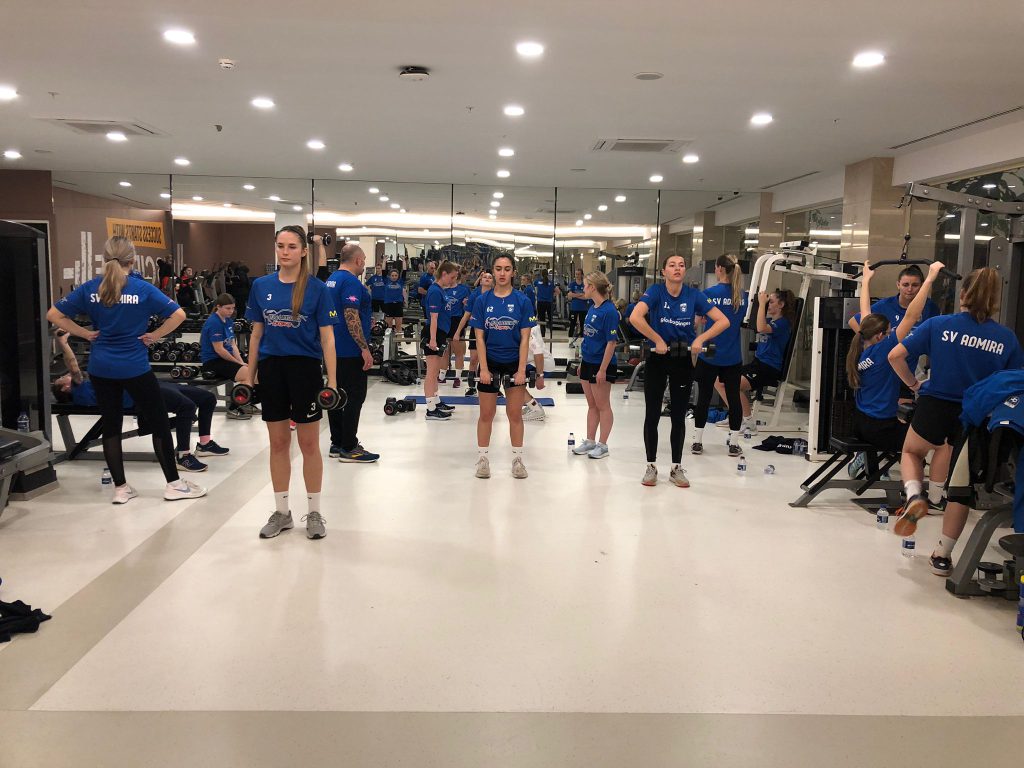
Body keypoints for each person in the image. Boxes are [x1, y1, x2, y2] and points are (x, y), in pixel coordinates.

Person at [46, 236, 206, 504]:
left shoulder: (91, 288)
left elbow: (53, 314)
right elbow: (178, 314)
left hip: (101, 367)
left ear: (106, 258)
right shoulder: (141, 289)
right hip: (134, 367)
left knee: (111, 426)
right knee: (159, 423)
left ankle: (120, 489)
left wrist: (84, 333)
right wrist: (155, 335)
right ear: (132, 260)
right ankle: (174, 485)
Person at [889, 267, 1023, 575]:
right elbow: (1015, 382)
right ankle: (942, 556)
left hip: (935, 404)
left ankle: (915, 496)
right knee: (960, 489)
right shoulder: (1006, 338)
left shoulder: (939, 325)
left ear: (963, 294)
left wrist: (913, 384)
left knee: (912, 452)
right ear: (995, 299)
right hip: (974, 414)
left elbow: (895, 355)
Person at [243, 225, 338, 540]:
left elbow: (328, 339)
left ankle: (314, 512)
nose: (285, 252)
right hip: (272, 369)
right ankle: (282, 512)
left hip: (305, 370)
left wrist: (332, 380)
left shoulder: (317, 289)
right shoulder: (261, 286)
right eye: (280, 246)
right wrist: (249, 374)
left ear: (303, 251)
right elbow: (256, 334)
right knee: (279, 443)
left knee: (309, 444)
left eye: (292, 247)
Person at [52, 331, 229, 472]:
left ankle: (204, 444)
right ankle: (183, 457)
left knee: (207, 398)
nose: (64, 375)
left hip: (149, 384)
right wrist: (63, 342)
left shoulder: (90, 382)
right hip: (140, 395)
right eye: (61, 379)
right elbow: (72, 364)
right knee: (187, 407)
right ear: (65, 388)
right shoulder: (80, 391)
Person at [629, 254, 730, 487]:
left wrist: (701, 338)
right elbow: (635, 317)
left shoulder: (694, 295)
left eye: (681, 265)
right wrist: (656, 338)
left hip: (682, 358)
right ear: (664, 271)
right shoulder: (655, 292)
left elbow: (723, 321)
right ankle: (651, 466)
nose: (677, 268)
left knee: (678, 416)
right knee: (652, 414)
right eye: (672, 265)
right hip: (657, 356)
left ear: (685, 271)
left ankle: (676, 468)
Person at [846, 260, 943, 454]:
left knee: (909, 424)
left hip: (860, 422)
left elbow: (865, 311)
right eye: (890, 332)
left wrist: (866, 280)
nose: (892, 333)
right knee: (932, 443)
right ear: (880, 336)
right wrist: (930, 279)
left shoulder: (862, 348)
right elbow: (911, 316)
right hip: (881, 429)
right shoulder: (884, 350)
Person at [470, 255, 537, 479]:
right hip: (490, 362)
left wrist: (521, 370)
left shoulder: (522, 301)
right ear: (492, 271)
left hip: (513, 363)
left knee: (514, 414)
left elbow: (525, 339)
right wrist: (484, 369)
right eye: (498, 269)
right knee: (486, 414)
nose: (502, 273)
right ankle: (482, 460)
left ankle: (517, 460)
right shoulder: (482, 301)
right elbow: (479, 338)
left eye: (507, 269)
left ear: (513, 272)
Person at [324, 244, 378, 463]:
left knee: (336, 395)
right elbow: (350, 315)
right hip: (349, 350)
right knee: (354, 397)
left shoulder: (331, 280)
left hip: (332, 350)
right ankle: (349, 446)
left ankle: (337, 442)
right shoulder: (351, 282)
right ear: (357, 260)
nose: (364, 264)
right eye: (364, 260)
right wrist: (364, 348)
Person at [719, 289, 797, 435]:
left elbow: (761, 328)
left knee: (733, 385)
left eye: (771, 302)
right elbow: (752, 321)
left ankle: (749, 424)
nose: (767, 304)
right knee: (718, 380)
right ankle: (736, 416)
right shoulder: (769, 320)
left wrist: (761, 304)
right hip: (757, 364)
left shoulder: (783, 323)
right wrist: (750, 298)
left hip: (769, 368)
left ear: (781, 305)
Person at [692, 254, 747, 457]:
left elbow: (696, 322)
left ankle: (697, 442)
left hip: (710, 353)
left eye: (715, 268)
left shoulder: (708, 294)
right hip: (732, 355)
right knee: (734, 398)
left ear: (720, 269)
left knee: (704, 397)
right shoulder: (742, 296)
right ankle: (734, 444)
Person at [570, 272, 619, 459]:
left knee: (603, 405)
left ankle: (603, 445)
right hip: (588, 361)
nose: (583, 289)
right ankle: (590, 441)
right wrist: (583, 362)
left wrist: (602, 370)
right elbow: (588, 338)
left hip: (601, 364)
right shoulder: (592, 308)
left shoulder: (609, 311)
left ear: (592, 287)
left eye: (585, 285)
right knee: (592, 405)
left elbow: (611, 343)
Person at [199, 293, 251, 418]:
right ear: (218, 307)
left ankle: (244, 403)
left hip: (224, 359)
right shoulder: (214, 323)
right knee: (249, 374)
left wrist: (241, 361)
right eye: (228, 308)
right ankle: (234, 407)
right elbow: (220, 350)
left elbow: (233, 345)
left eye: (232, 308)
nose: (231, 311)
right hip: (213, 362)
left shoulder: (228, 321)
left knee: (254, 369)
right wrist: (238, 363)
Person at [422, 261, 460, 420]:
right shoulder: (434, 291)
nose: (453, 280)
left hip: (440, 333)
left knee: (435, 371)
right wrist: (432, 339)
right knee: (431, 372)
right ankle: (430, 409)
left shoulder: (441, 290)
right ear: (443, 274)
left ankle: (436, 402)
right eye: (452, 277)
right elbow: (433, 317)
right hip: (434, 333)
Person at [454, 270, 493, 397]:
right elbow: (466, 315)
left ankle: (492, 386)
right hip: (476, 330)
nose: (487, 278)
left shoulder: (496, 294)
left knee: (490, 360)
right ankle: (472, 387)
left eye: (490, 277)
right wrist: (458, 332)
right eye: (484, 277)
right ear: (480, 280)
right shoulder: (475, 295)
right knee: (474, 359)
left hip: (492, 330)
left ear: (493, 282)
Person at [444, 267, 471, 389]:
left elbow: (468, 307)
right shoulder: (441, 289)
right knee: (444, 350)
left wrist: (466, 304)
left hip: (456, 320)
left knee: (458, 350)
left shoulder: (463, 289)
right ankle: (442, 375)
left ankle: (458, 377)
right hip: (444, 320)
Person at [521, 322, 553, 422]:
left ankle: (536, 409)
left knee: (513, 382)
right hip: (534, 361)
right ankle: (532, 405)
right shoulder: (524, 322)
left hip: (541, 364)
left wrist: (540, 376)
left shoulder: (525, 326)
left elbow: (537, 351)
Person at [566, 268, 588, 345]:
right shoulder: (572, 284)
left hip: (583, 309)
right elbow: (569, 296)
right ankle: (570, 341)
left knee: (583, 325)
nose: (577, 276)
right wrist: (581, 294)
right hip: (574, 308)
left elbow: (586, 297)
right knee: (572, 325)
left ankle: (583, 342)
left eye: (578, 274)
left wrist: (575, 295)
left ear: (582, 275)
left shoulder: (584, 285)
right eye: (576, 274)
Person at [382, 268, 406, 336]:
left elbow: (404, 271)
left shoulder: (400, 281)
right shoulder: (386, 281)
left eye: (396, 275)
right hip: (389, 305)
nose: (394, 277)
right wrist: (384, 262)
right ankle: (388, 341)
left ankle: (398, 341)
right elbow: (383, 271)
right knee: (388, 328)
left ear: (398, 276)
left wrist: (404, 262)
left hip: (398, 305)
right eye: (392, 275)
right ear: (389, 276)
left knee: (398, 328)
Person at [533, 269, 557, 336]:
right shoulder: (551, 283)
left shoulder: (537, 281)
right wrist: (552, 295)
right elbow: (557, 291)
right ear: (547, 274)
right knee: (550, 318)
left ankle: (542, 333)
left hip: (541, 302)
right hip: (549, 302)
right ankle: (551, 332)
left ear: (541, 274)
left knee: (541, 318)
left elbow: (534, 288)